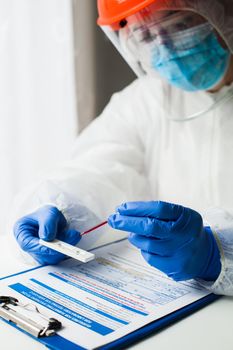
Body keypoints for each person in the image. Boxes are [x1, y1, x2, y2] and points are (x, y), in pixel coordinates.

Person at [12, 0, 233, 296]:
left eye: (177, 25)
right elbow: (100, 165)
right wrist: (64, 209)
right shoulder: (147, 99)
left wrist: (219, 255)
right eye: (146, 36)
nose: (164, 47)